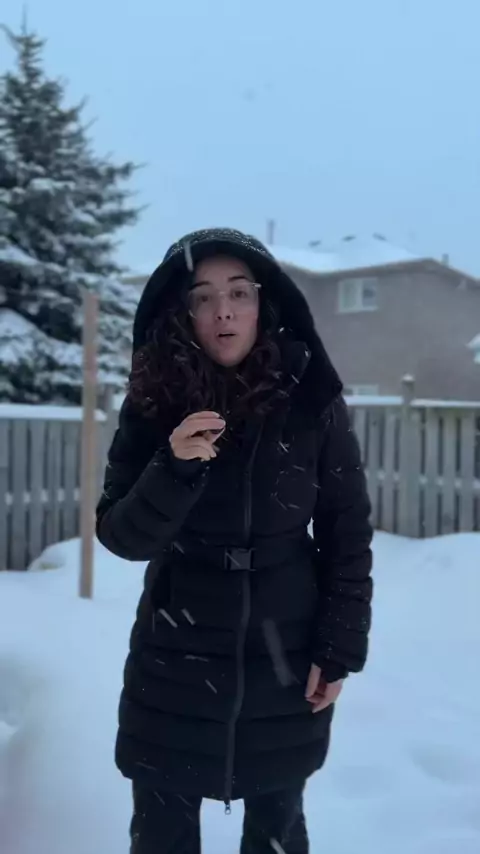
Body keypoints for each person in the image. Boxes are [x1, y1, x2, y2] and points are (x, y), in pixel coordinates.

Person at [96, 228, 373, 854]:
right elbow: (120, 536)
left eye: (239, 292)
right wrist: (173, 468)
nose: (223, 310)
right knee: (162, 835)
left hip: (285, 651)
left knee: (277, 831)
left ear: (263, 302)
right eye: (204, 296)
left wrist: (338, 647)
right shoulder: (153, 402)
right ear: (183, 312)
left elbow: (347, 530)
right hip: (175, 653)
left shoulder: (311, 398)